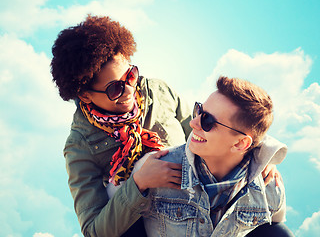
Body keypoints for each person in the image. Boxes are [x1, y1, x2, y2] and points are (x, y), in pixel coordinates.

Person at [52, 15, 282, 237]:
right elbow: (94, 230)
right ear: (85, 95)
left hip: (196, 208)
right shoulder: (79, 146)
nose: (130, 90)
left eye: (131, 75)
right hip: (145, 226)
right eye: (115, 89)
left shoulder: (159, 92)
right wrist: (139, 183)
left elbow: (208, 133)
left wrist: (257, 158)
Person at [108, 76, 294, 236]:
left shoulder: (269, 187)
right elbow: (111, 221)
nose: (194, 123)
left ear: (240, 144)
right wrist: (138, 184)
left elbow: (274, 227)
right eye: (199, 111)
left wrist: (264, 159)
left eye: (208, 121)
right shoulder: (154, 169)